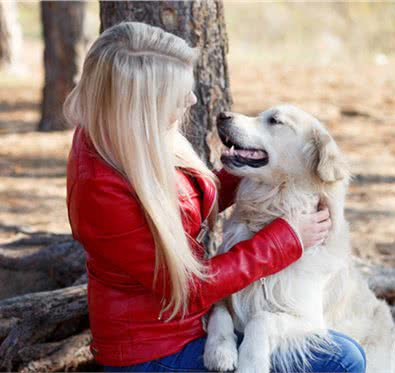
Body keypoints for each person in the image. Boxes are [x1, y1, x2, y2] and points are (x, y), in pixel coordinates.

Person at [64, 22, 366, 373]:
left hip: (189, 326)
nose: (192, 100)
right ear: (141, 103)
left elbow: (184, 205)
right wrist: (286, 239)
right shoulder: (102, 189)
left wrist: (266, 174)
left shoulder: (130, 137)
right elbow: (189, 289)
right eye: (177, 94)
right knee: (344, 360)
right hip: (154, 354)